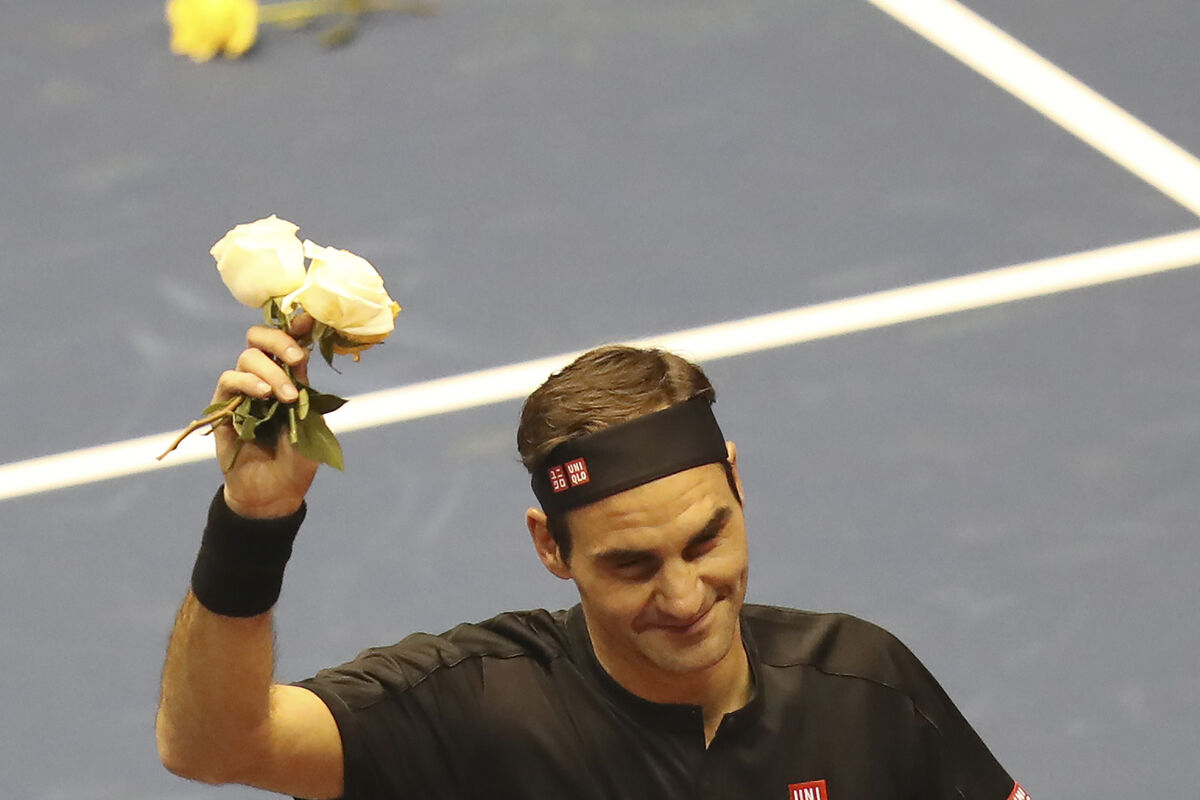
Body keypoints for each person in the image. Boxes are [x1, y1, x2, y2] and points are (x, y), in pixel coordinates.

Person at [156, 318, 1029, 800]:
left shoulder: (865, 690)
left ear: (736, 482)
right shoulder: (476, 711)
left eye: (705, 541)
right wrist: (254, 522)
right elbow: (215, 746)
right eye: (632, 566)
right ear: (551, 547)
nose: (684, 596)